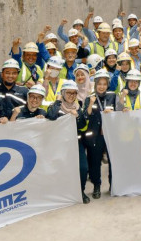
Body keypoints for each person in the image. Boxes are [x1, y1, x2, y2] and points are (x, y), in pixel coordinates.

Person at [46, 80, 90, 203]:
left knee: (83, 168)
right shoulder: (56, 106)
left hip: (75, 143)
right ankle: (62, 194)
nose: (71, 95)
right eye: (68, 93)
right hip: (59, 144)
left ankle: (81, 191)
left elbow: (83, 126)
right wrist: (57, 102)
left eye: (74, 93)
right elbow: (51, 116)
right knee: (61, 169)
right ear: (63, 93)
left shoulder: (78, 107)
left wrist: (78, 116)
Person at [83, 69, 116, 198]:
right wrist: (91, 103)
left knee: (113, 161)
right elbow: (86, 115)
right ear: (95, 84)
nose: (101, 87)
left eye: (104, 84)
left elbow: (119, 111)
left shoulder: (112, 96)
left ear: (107, 85)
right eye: (99, 84)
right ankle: (96, 186)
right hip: (95, 137)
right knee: (95, 163)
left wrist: (112, 113)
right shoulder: (89, 98)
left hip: (110, 135)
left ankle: (113, 185)